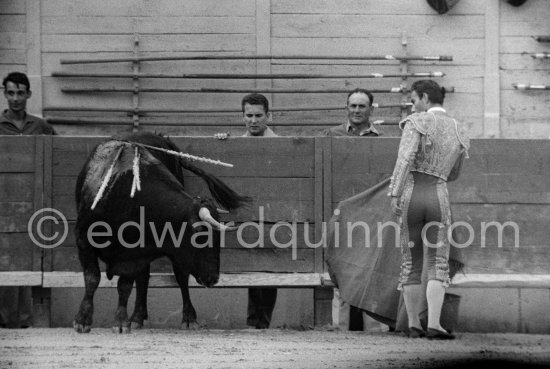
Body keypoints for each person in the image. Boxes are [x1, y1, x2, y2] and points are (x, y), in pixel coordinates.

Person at [388, 80, 469, 339]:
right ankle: (434, 323)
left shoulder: (416, 122)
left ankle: (413, 324)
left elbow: (405, 158)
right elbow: (454, 173)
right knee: (438, 262)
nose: (413, 105)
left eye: (414, 100)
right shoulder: (459, 129)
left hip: (412, 195)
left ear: (424, 97)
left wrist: (394, 192)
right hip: (438, 196)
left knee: (411, 262)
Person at [216, 93, 278, 329]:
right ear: (242, 117)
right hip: (248, 212)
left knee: (272, 265)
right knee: (253, 261)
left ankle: (261, 322)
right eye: (249, 116)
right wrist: (223, 143)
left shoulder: (281, 144)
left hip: (274, 211)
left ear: (268, 116)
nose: (253, 121)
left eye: (258, 116)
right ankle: (256, 322)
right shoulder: (236, 143)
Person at [0, 72, 56, 329]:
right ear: (4, 94)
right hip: (3, 203)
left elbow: (56, 158)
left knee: (33, 257)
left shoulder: (41, 127)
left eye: (20, 93)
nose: (15, 98)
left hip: (35, 205)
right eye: (10, 92)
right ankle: (7, 320)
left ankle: (26, 320)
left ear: (29, 94)